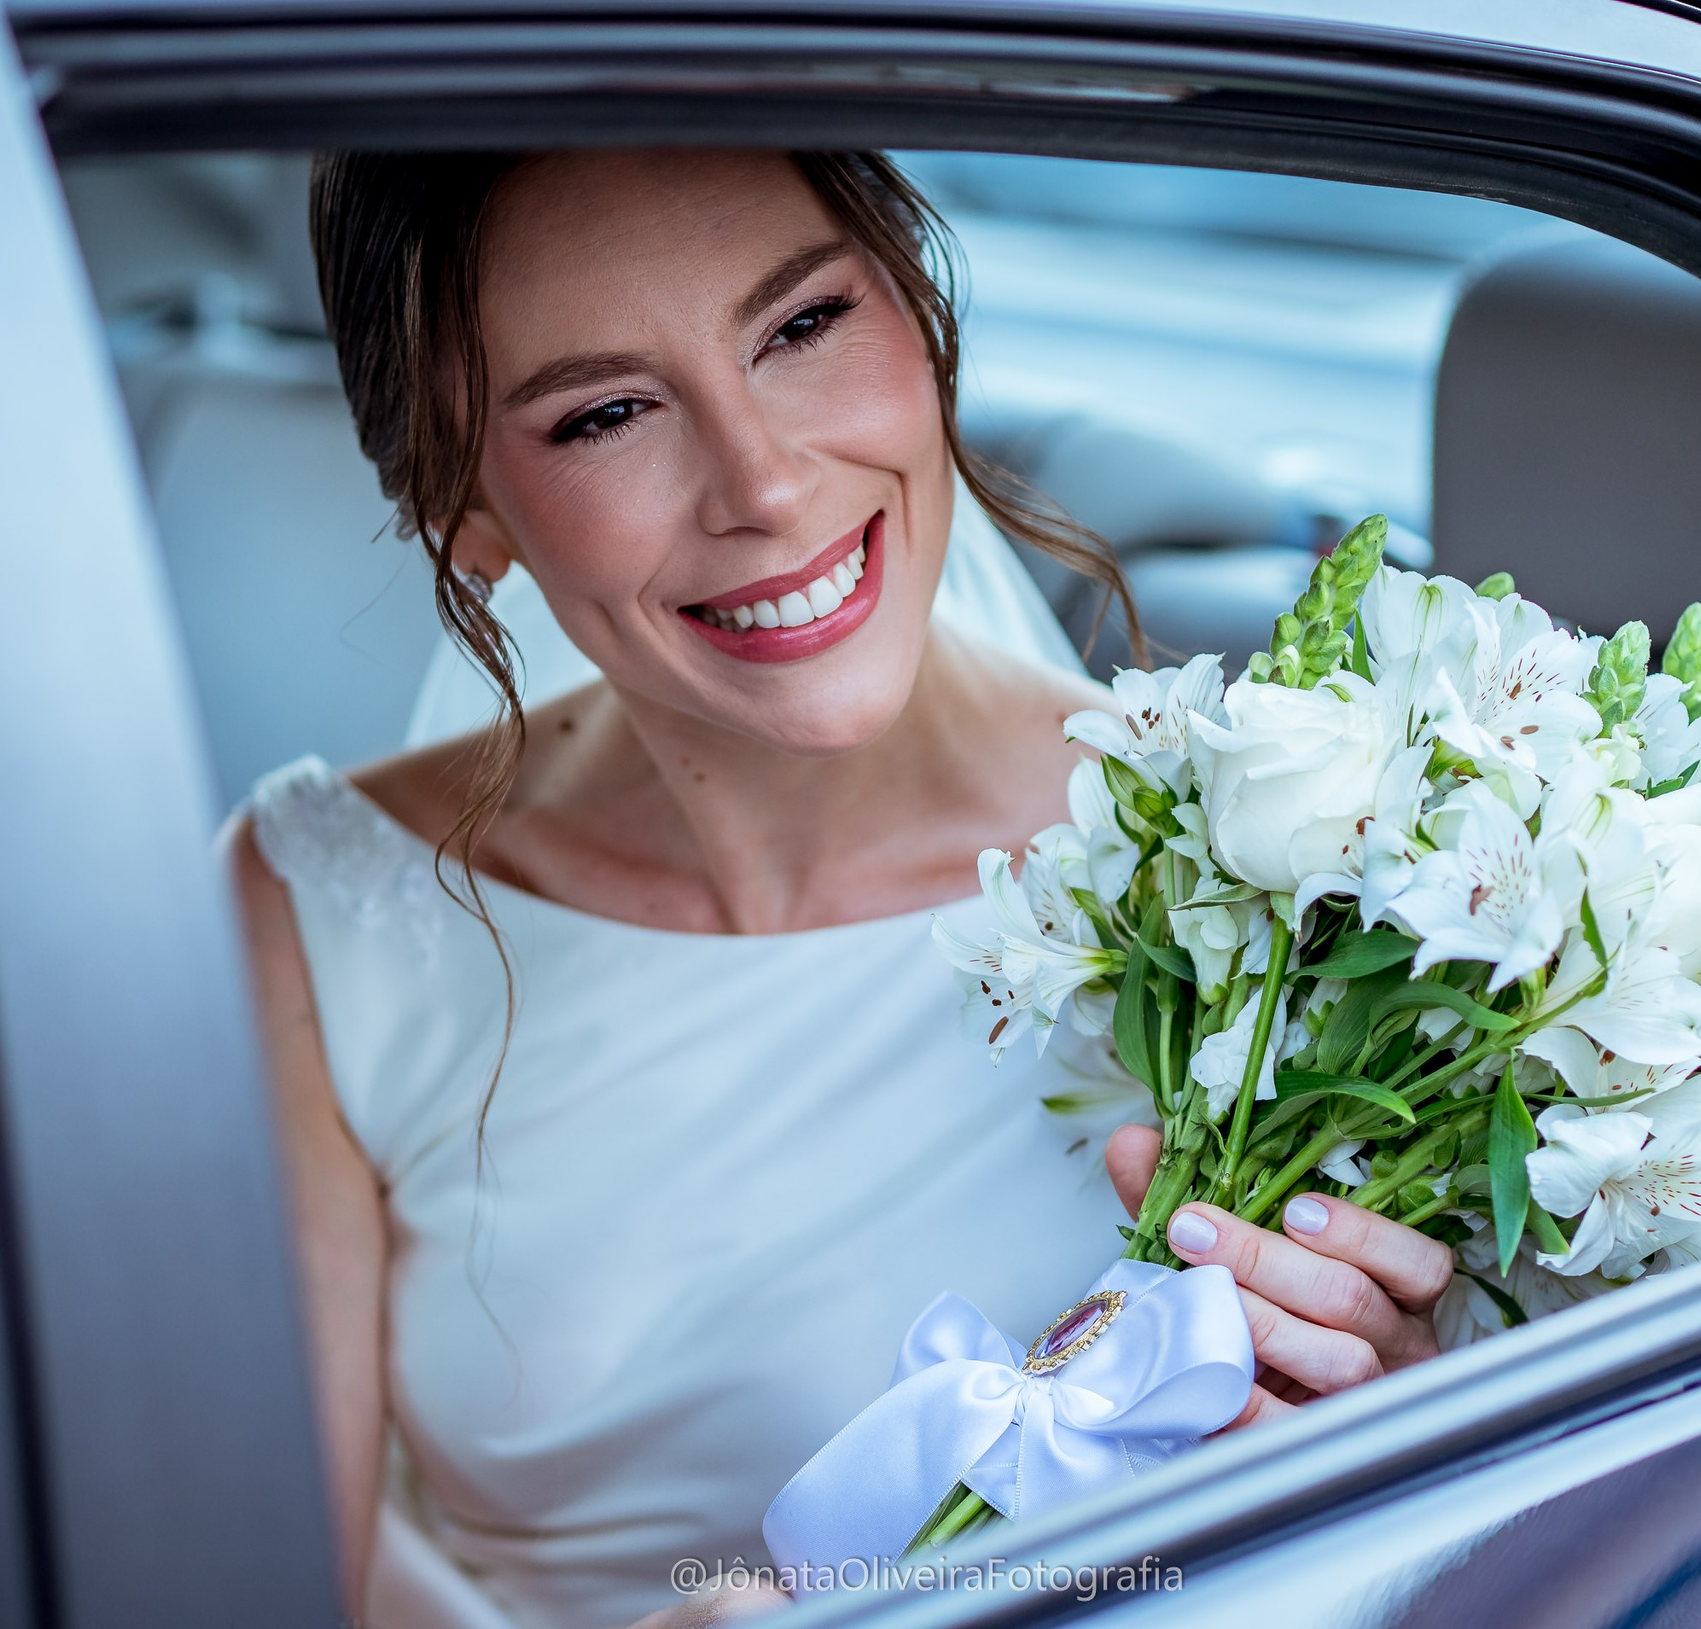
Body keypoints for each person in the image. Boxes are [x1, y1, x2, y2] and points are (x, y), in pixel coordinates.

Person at [223, 147, 1454, 1629]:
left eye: (803, 325)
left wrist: (1403, 1453)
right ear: (458, 503)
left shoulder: (1290, 865)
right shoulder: (322, 915)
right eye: (606, 414)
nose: (762, 483)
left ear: (918, 305)